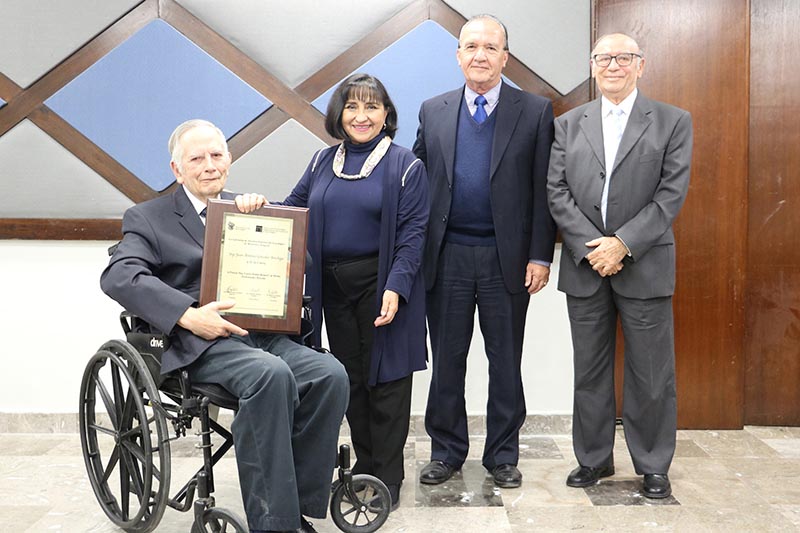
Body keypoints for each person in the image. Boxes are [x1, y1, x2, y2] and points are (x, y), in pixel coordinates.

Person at [100, 119, 349, 533]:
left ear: (229, 160)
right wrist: (186, 313)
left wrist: (267, 221)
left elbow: (298, 268)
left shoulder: (245, 206)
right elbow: (120, 276)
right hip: (200, 343)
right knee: (269, 375)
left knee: (330, 374)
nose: (209, 165)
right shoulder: (149, 217)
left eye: (216, 155)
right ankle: (275, 523)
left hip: (261, 336)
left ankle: (298, 504)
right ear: (177, 170)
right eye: (196, 158)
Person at [238, 73, 429, 509]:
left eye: (372, 107)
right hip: (333, 289)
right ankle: (364, 468)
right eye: (352, 107)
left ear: (386, 115)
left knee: (388, 381)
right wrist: (255, 206)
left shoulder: (406, 165)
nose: (361, 116)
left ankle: (389, 476)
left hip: (383, 286)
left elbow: (414, 233)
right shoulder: (322, 161)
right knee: (350, 380)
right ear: (338, 114)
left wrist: (396, 287)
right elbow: (292, 211)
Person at [412, 14, 556, 489]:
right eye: (471, 46)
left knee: (505, 360)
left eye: (490, 48)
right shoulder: (433, 110)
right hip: (447, 256)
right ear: (457, 55)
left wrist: (540, 255)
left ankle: (502, 455)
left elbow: (543, 190)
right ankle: (447, 451)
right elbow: (415, 184)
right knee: (448, 360)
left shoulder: (534, 111)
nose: (480, 55)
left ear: (505, 57)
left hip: (507, 261)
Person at [546, 33, 692, 499]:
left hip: (644, 264)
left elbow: (669, 196)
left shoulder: (672, 121)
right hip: (586, 265)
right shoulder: (568, 124)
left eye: (623, 58)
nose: (613, 65)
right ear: (593, 66)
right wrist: (595, 247)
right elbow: (557, 192)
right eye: (604, 58)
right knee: (589, 369)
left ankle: (652, 463)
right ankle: (593, 459)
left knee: (651, 373)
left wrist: (622, 244)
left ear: (640, 66)